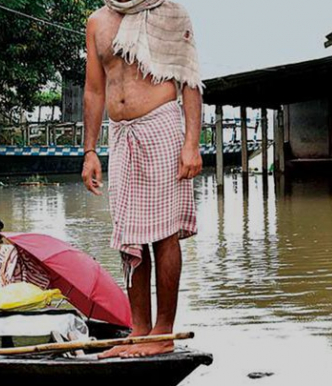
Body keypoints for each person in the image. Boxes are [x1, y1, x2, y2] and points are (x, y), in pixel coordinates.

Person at [82, 0, 203, 358]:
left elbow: (190, 81)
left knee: (165, 234)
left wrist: (191, 144)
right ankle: (139, 330)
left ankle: (163, 332)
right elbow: (94, 89)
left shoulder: (170, 12)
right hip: (120, 136)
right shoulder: (98, 21)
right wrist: (90, 151)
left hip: (162, 127)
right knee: (128, 236)